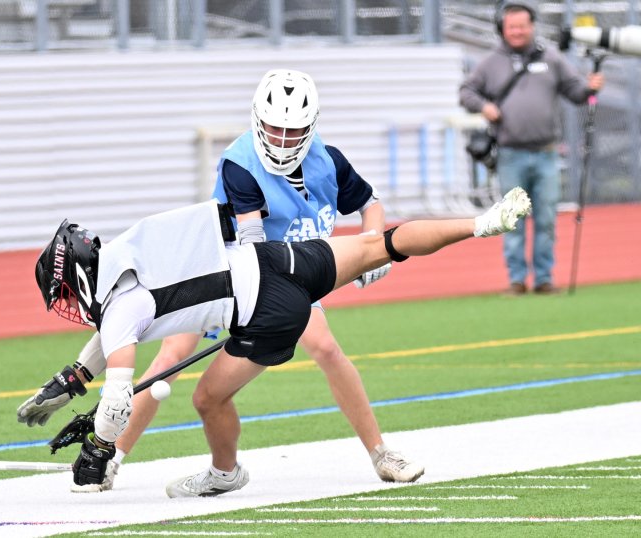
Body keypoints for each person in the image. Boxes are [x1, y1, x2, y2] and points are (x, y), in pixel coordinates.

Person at [18, 69, 424, 491]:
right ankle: (113, 458)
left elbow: (369, 202)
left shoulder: (328, 160)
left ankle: (380, 453)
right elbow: (253, 246)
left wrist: (372, 245)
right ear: (257, 120)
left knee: (324, 346)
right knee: (167, 363)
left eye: (294, 131)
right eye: (274, 128)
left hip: (293, 271)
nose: (283, 140)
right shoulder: (240, 163)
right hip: (227, 267)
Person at [32, 185, 531, 497]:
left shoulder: (117, 309)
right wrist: (69, 381)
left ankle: (224, 474)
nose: (68, 303)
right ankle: (482, 223)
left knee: (208, 398)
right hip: (275, 260)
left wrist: (98, 449)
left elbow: (119, 393)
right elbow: (113, 330)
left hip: (266, 313)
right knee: (382, 243)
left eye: (64, 292)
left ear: (75, 274)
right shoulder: (121, 258)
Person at [459, 0, 603, 295]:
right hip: (510, 153)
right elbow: (466, 92)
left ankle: (543, 278)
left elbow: (577, 93)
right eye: (512, 26)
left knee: (547, 218)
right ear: (502, 29)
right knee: (511, 219)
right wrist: (484, 107)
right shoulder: (491, 62)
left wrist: (591, 88)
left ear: (532, 27)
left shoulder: (551, 58)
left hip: (546, 152)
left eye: (523, 26)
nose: (517, 31)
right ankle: (516, 279)